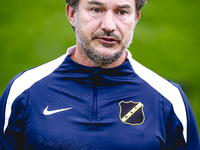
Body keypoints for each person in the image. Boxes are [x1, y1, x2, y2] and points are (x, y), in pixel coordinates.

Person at [0, 0, 199, 149]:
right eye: (96, 10)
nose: (109, 25)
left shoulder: (168, 99)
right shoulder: (24, 91)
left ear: (136, 18)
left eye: (122, 12)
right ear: (72, 13)